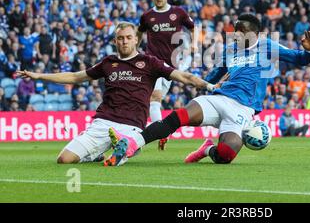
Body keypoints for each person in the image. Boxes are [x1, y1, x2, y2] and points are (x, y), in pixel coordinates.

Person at [104, 14, 310, 166]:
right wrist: (201, 84)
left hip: (243, 110)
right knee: (179, 117)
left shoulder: (268, 46)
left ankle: (207, 148)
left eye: (238, 31)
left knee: (225, 155)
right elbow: (215, 74)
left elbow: (300, 58)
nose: (234, 34)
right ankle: (132, 144)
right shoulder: (231, 50)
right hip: (220, 97)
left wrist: (309, 51)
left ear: (250, 32)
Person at [16, 22, 214, 164]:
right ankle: (96, 155)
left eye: (128, 38)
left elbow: (184, 77)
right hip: (103, 122)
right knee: (64, 160)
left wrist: (209, 86)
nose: (125, 42)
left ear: (136, 39)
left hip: (133, 127)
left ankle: (125, 147)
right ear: (115, 41)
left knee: (123, 150)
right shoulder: (108, 63)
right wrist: (38, 76)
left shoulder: (150, 62)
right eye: (120, 38)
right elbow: (76, 77)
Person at [137, 0, 195, 150]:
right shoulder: (147, 16)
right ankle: (160, 131)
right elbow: (138, 33)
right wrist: (134, 48)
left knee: (156, 101)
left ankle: (160, 131)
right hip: (152, 62)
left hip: (171, 65)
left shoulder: (178, 12)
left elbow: (192, 27)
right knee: (155, 97)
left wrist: (194, 44)